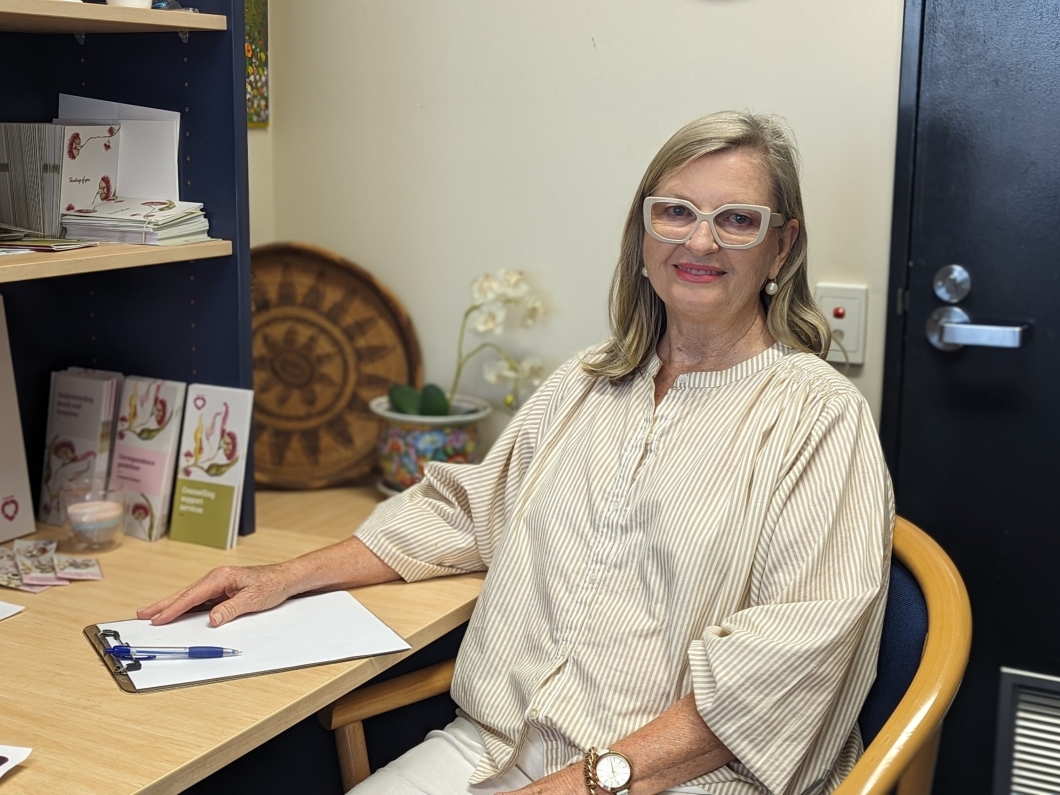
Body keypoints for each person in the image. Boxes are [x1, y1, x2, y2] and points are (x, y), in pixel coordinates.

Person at [142, 111, 894, 795]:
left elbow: (778, 674)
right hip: (490, 752)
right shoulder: (588, 381)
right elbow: (468, 509)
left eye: (737, 220)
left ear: (781, 245)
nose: (699, 241)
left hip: (675, 781)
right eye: (675, 213)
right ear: (642, 236)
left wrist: (588, 782)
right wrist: (283, 575)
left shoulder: (820, 420)